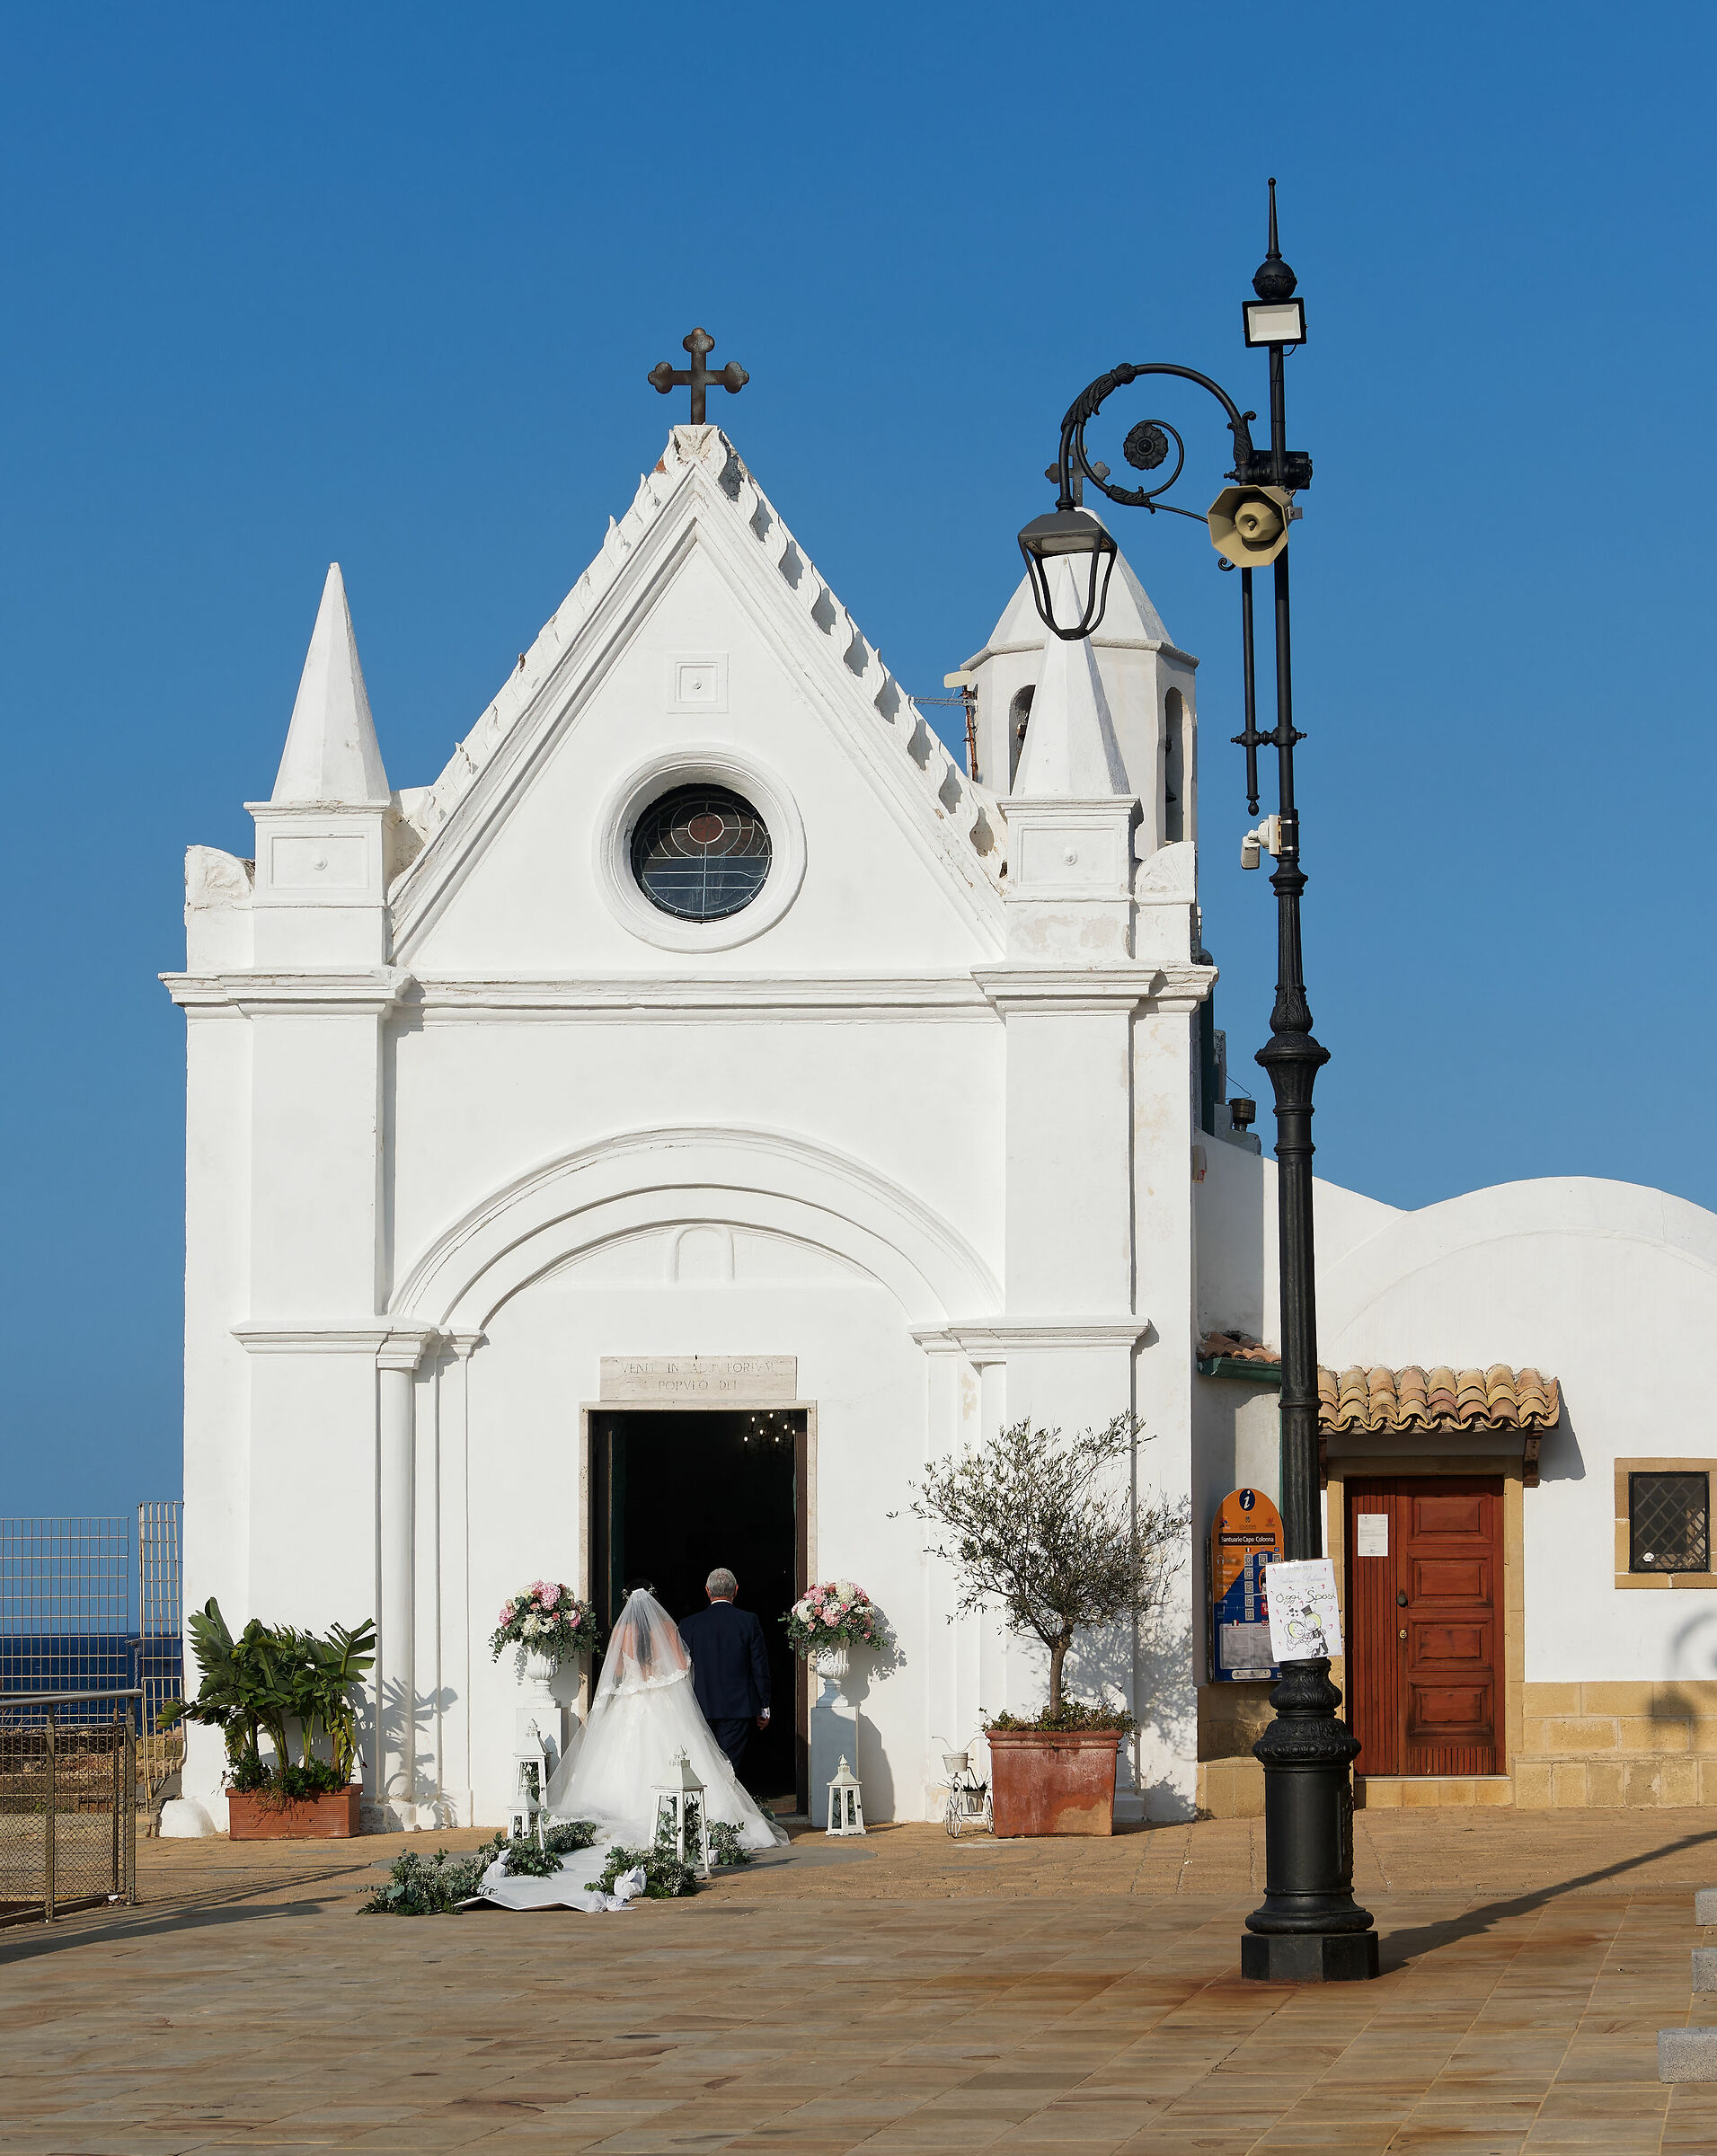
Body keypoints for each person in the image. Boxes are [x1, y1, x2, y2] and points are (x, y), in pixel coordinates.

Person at [677, 1567, 772, 1780]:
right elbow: (759, 1664)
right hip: (737, 1707)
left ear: (707, 1591)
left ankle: (704, 1809)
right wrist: (764, 1705)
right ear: (736, 1590)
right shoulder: (749, 1621)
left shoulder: (688, 1625)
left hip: (699, 1705)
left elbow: (680, 1668)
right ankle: (723, 1809)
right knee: (729, 1766)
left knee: (703, 1763)